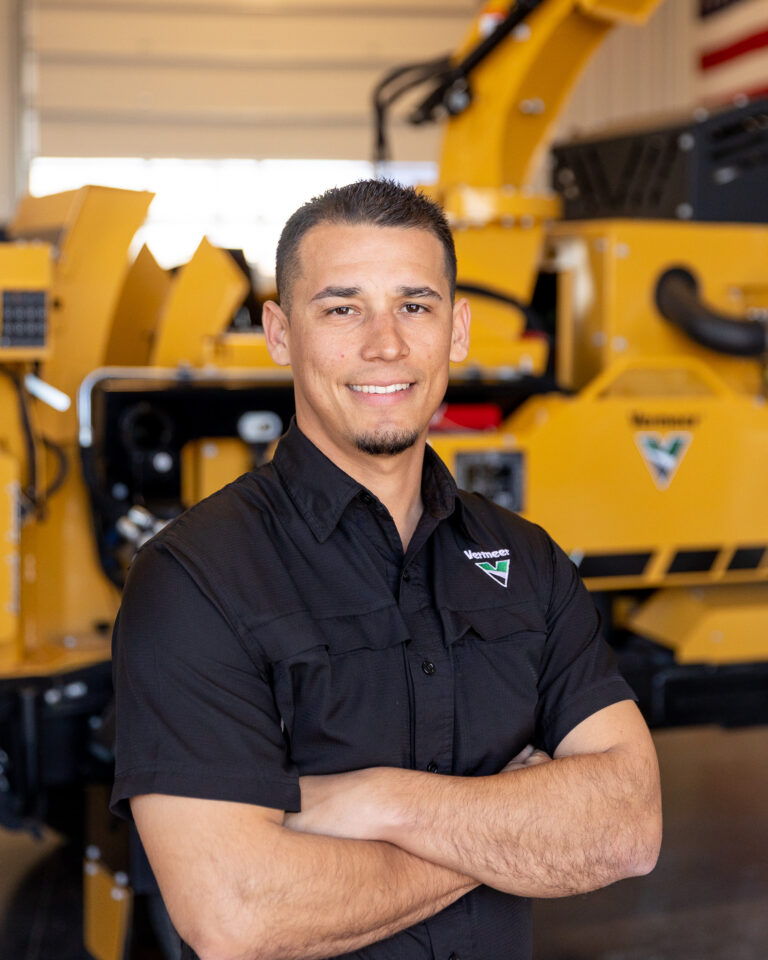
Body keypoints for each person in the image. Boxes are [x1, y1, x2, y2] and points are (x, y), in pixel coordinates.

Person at [111, 179, 662, 960]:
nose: (386, 346)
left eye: (416, 305)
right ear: (278, 332)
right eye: (342, 308)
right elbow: (236, 912)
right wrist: (511, 826)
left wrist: (382, 802)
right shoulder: (195, 579)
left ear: (458, 329)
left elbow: (628, 829)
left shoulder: (527, 559)